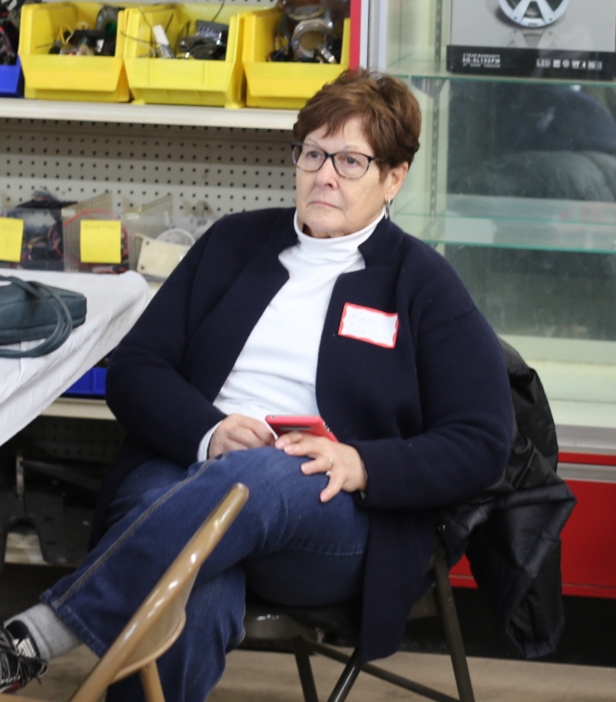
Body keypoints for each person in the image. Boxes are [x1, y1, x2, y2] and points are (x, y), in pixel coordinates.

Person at [0, 68, 513, 700]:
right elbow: (135, 369)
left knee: (265, 476)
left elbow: (483, 440)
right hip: (187, 475)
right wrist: (209, 432)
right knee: (196, 588)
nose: (325, 175)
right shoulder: (233, 243)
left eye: (351, 161)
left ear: (393, 178)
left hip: (333, 521)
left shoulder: (423, 284)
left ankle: (37, 636)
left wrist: (360, 463)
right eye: (313, 153)